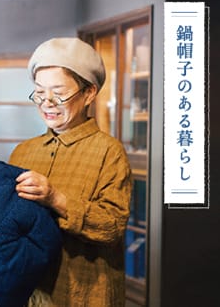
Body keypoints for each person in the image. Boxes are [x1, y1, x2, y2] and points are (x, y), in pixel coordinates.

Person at [9, 37, 132, 306]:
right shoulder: (23, 151)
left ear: (89, 93)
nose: (47, 103)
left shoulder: (109, 152)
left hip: (85, 293)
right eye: (40, 92)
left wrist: (55, 198)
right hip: (28, 290)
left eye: (59, 93)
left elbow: (112, 227)